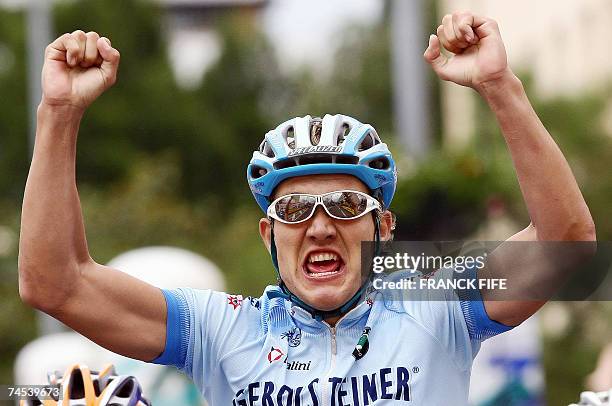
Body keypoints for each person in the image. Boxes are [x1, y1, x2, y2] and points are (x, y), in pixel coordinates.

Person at [19, 11, 595, 405]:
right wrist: (59, 113)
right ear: (268, 234)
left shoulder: (435, 305)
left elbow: (565, 247)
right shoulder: (223, 327)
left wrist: (499, 84)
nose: (320, 226)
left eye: (345, 205)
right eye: (296, 213)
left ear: (384, 228)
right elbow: (56, 284)